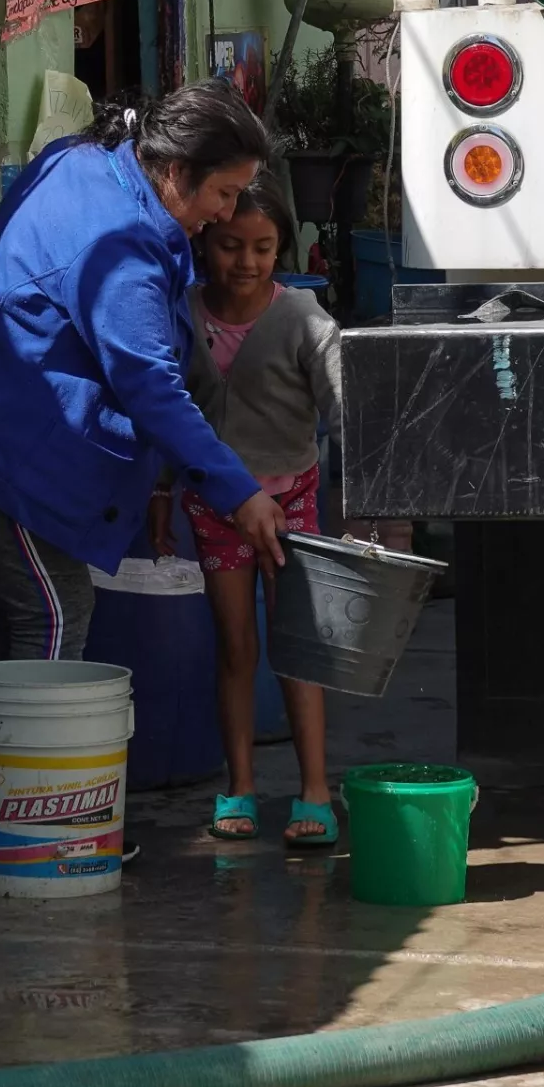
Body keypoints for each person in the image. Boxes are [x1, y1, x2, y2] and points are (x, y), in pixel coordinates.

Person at [0, 81, 291, 868]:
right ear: (174, 170)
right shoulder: (122, 253)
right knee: (54, 610)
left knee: (37, 615)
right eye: (222, 192)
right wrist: (238, 491)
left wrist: (155, 484)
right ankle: (27, 832)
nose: (228, 212)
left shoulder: (83, 163)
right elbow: (149, 385)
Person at [148, 173, 341, 848]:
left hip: (293, 500)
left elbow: (342, 403)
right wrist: (164, 490)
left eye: (263, 247)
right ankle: (241, 786)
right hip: (216, 505)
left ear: (281, 249)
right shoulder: (183, 312)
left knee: (298, 649)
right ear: (206, 243)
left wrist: (378, 500)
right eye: (231, 245)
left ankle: (315, 791)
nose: (247, 261)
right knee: (235, 646)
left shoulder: (304, 321)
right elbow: (171, 408)